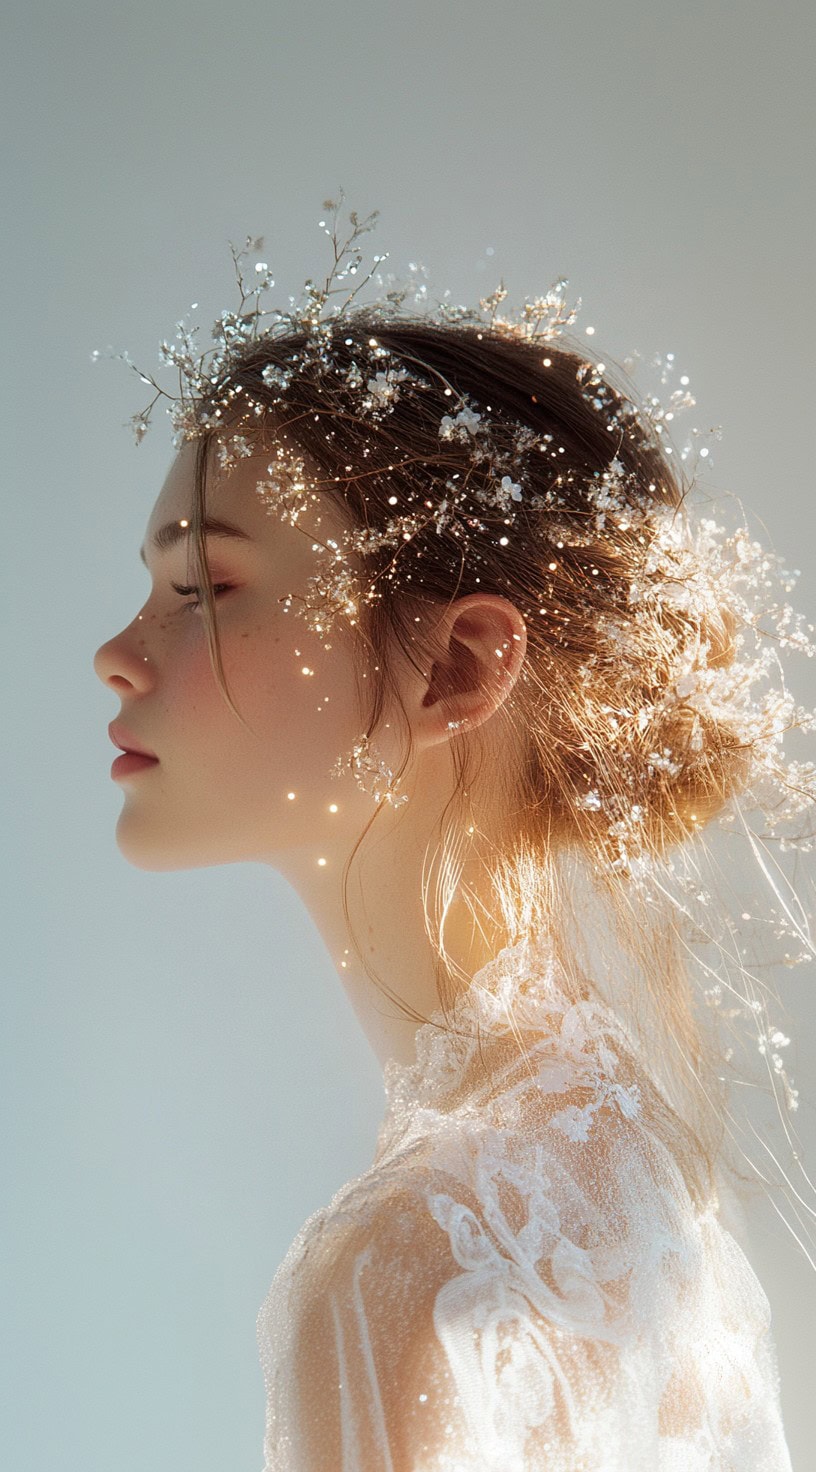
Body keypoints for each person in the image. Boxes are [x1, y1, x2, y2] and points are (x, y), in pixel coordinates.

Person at [93, 206, 813, 1469]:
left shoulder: (411, 1273)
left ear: (459, 664)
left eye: (203, 587)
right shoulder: (631, 1166)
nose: (115, 655)